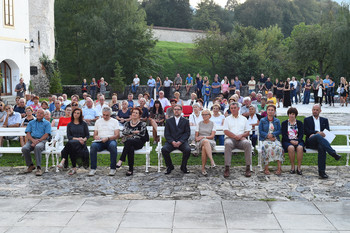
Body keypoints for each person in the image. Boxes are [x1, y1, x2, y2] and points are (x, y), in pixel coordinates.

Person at [304, 104, 341, 179]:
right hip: (311, 141)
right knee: (317, 136)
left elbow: (327, 132)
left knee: (322, 147)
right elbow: (306, 131)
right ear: (312, 110)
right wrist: (316, 133)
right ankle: (333, 153)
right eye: (314, 109)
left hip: (321, 142)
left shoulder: (324, 120)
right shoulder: (307, 120)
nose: (315, 111)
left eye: (317, 110)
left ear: (320, 111)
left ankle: (322, 172)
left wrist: (320, 134)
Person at [116, 107, 148, 176]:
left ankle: (121, 160)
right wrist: (134, 132)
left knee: (129, 141)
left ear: (139, 115)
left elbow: (142, 133)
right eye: (133, 112)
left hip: (139, 142)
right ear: (131, 114)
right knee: (130, 147)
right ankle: (130, 170)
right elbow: (124, 132)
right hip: (129, 143)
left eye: (136, 113)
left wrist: (130, 133)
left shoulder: (143, 124)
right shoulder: (127, 124)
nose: (134, 114)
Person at [223, 102, 252, 178]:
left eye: (234, 108)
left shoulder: (244, 119)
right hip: (230, 138)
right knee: (227, 143)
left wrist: (241, 135)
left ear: (238, 109)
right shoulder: (227, 119)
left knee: (247, 143)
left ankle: (248, 167)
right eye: (231, 108)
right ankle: (227, 167)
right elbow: (226, 131)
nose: (233, 110)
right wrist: (236, 136)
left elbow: (248, 131)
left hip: (241, 139)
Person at [89, 106, 120, 176]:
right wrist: (96, 137)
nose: (105, 117)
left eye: (107, 115)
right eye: (103, 115)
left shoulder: (114, 121)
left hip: (110, 140)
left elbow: (117, 135)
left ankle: (113, 168)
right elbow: (94, 135)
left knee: (113, 145)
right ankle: (93, 168)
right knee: (93, 146)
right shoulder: (98, 121)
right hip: (100, 141)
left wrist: (108, 138)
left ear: (110, 115)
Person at [58, 108, 90, 175]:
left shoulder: (84, 124)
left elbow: (87, 135)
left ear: (80, 115)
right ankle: (74, 168)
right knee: (72, 145)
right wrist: (78, 139)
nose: (76, 114)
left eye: (78, 113)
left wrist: (83, 140)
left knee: (69, 146)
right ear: (73, 114)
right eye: (75, 113)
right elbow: (69, 137)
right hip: (73, 143)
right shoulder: (70, 124)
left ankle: (63, 160)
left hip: (81, 144)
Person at [161, 104, 191, 174]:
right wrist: (172, 141)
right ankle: (169, 166)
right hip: (171, 142)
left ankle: (183, 167)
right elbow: (167, 134)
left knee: (187, 150)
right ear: (173, 111)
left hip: (182, 142)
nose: (176, 111)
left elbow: (187, 133)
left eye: (178, 109)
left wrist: (180, 141)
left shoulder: (185, 121)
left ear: (181, 111)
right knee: (164, 149)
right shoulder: (168, 121)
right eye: (175, 109)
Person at [22, 108, 51, 176]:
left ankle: (39, 168)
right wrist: (33, 140)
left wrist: (37, 141)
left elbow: (46, 134)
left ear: (44, 115)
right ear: (36, 113)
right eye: (38, 113)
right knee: (24, 148)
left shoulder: (47, 123)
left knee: (37, 147)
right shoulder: (31, 122)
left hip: (42, 141)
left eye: (41, 113)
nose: (39, 114)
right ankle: (30, 165)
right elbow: (28, 133)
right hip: (32, 140)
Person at [258, 104, 284, 175]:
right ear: (266, 111)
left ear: (274, 112)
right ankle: (266, 168)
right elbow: (260, 131)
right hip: (265, 139)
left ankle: (279, 168)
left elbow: (279, 130)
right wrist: (268, 135)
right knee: (268, 148)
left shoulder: (277, 121)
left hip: (275, 139)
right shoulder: (262, 120)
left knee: (279, 148)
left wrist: (273, 134)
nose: (270, 111)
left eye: (272, 110)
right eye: (269, 110)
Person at [281, 107, 304, 175]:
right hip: (287, 141)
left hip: (298, 140)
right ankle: (292, 167)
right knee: (291, 148)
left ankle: (299, 168)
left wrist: (298, 140)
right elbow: (284, 135)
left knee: (300, 148)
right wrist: (290, 141)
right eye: (290, 114)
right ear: (288, 114)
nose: (291, 115)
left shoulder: (299, 123)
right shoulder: (284, 123)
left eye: (293, 114)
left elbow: (301, 134)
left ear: (295, 115)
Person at [195, 110, 216, 176]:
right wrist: (199, 138)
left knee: (204, 147)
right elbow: (196, 137)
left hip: (210, 141)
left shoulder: (213, 123)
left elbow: (212, 136)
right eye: (203, 115)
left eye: (205, 114)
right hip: (201, 142)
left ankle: (203, 168)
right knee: (205, 142)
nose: (204, 116)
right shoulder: (199, 123)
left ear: (209, 116)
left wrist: (203, 137)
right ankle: (212, 161)